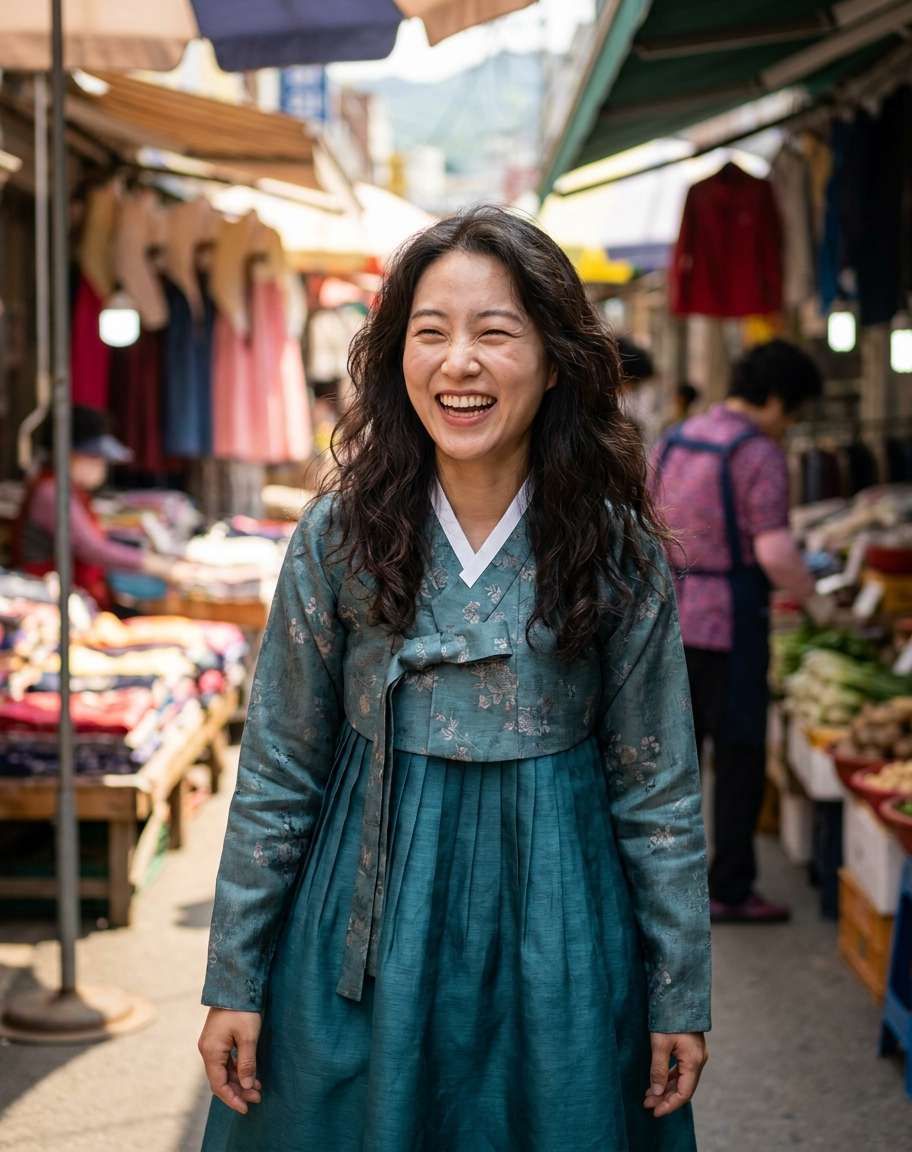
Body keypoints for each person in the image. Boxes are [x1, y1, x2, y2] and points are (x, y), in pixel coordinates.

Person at [197, 207, 711, 1152]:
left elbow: (658, 787)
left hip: (556, 909)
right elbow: (276, 767)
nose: (457, 363)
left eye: (495, 332)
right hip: (366, 901)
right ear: (398, 358)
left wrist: (680, 987)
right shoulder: (338, 537)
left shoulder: (615, 549)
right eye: (429, 333)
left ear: (555, 361)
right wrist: (234, 975)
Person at [650, 339, 824, 925]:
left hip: (673, 614)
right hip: (732, 623)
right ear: (775, 399)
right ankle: (729, 886)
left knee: (674, 758)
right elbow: (774, 550)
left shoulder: (678, 437)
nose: (789, 424)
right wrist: (817, 603)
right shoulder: (758, 453)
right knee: (739, 758)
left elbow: (645, 519)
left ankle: (660, 884)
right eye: (792, 411)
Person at [12, 405, 192, 608]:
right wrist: (159, 566)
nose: (102, 467)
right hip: (49, 601)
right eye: (96, 459)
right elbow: (93, 549)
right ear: (70, 455)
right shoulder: (51, 492)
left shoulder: (67, 489)